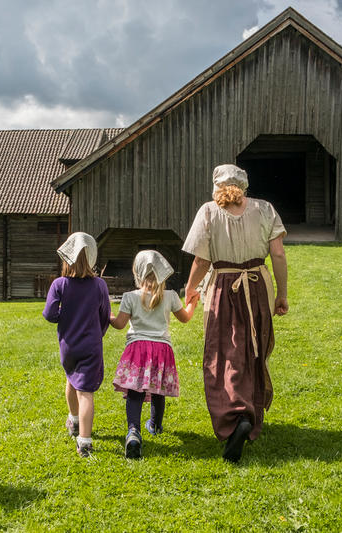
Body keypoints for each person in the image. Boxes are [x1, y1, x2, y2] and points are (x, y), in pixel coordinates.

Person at [182, 164, 288, 463]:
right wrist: (281, 293)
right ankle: (249, 414)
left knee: (224, 351)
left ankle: (234, 417)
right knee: (253, 349)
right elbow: (278, 254)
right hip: (258, 282)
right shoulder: (265, 209)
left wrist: (190, 289)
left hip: (223, 286)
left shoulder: (208, 212)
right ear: (244, 185)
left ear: (216, 186)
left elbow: (202, 261)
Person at [110, 250, 199, 459]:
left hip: (137, 347)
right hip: (161, 349)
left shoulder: (130, 297)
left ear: (138, 273)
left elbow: (119, 325)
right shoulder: (170, 296)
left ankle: (133, 431)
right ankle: (156, 426)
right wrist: (192, 303)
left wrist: (108, 313)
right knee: (158, 389)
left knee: (135, 391)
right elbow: (185, 318)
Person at [42, 232, 110, 458]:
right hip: (91, 345)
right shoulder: (99, 285)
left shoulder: (59, 285)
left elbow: (50, 314)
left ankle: (73, 420)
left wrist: (65, 314)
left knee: (71, 379)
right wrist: (96, 334)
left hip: (68, 345)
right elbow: (105, 315)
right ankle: (85, 441)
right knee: (86, 392)